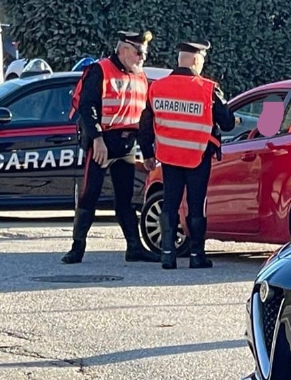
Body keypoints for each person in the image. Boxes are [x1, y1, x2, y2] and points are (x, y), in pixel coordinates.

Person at [61, 30, 161, 264]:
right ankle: (77, 248)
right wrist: (96, 139)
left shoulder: (140, 76)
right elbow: (87, 107)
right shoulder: (100, 70)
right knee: (90, 195)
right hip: (102, 143)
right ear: (123, 50)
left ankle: (134, 248)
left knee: (125, 199)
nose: (142, 58)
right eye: (138, 53)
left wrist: (147, 152)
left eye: (143, 53)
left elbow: (144, 118)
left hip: (126, 144)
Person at [138, 41, 236, 270]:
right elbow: (229, 123)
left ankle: (168, 255)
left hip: (169, 157)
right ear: (195, 60)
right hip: (197, 157)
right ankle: (196, 255)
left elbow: (145, 125)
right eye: (202, 60)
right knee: (195, 206)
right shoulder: (208, 89)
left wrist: (147, 154)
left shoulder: (157, 88)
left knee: (169, 205)